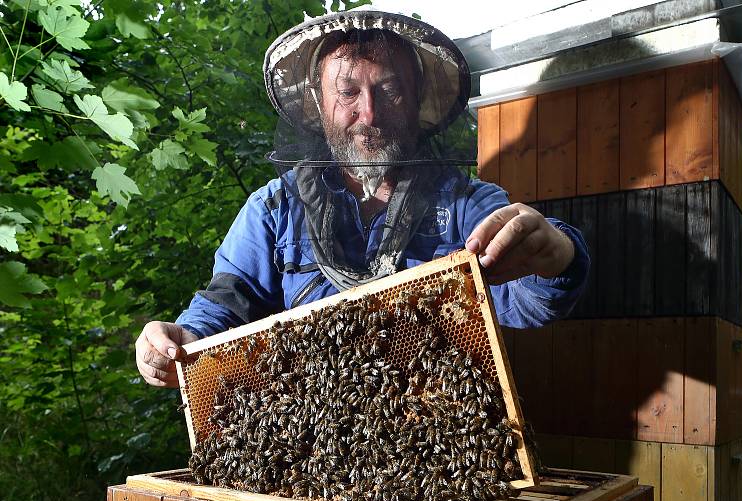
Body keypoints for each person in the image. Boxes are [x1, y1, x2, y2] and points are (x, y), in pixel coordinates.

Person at [135, 11, 590, 388]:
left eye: (389, 90)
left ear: (414, 101)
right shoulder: (274, 209)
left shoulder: (466, 205)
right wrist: (178, 340)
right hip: (310, 451)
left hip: (432, 440)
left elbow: (530, 301)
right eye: (348, 91)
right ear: (318, 102)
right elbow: (226, 305)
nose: (369, 114)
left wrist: (557, 252)